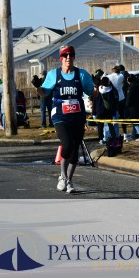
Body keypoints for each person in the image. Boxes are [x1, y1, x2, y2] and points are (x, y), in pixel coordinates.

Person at [40, 45, 96, 194]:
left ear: (74, 57)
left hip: (77, 115)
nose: (68, 58)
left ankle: (69, 181)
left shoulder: (81, 74)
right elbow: (44, 93)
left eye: (71, 55)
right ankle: (62, 176)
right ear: (61, 58)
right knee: (67, 143)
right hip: (60, 114)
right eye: (65, 55)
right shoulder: (54, 74)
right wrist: (37, 87)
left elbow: (91, 92)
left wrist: (96, 87)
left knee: (75, 149)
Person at [94, 75, 121, 144]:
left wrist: (94, 112)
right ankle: (113, 138)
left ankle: (101, 139)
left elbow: (94, 101)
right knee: (110, 125)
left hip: (99, 111)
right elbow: (115, 102)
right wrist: (114, 111)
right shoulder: (111, 90)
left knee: (100, 126)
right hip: (108, 111)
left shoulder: (98, 90)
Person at [123, 70, 139, 141]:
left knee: (135, 122)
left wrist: (127, 104)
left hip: (132, 107)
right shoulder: (137, 85)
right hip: (138, 105)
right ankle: (133, 135)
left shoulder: (131, 87)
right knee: (135, 121)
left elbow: (129, 97)